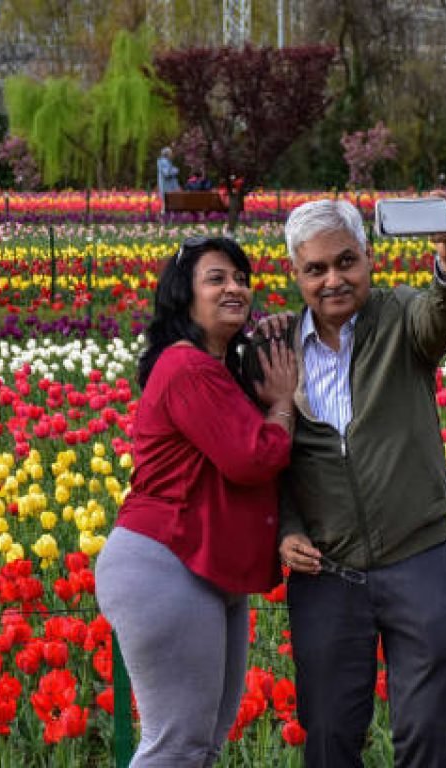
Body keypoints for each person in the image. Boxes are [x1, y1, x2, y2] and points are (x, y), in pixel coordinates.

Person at [263, 197, 446, 767]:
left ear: (370, 259)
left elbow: (445, 315)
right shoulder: (273, 349)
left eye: (346, 261)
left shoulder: (402, 317)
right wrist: (286, 529)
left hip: (418, 555)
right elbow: (266, 458)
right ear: (295, 272)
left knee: (426, 734)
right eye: (315, 269)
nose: (333, 279)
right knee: (329, 736)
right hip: (327, 569)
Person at [96, 235, 298, 767]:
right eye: (217, 279)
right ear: (183, 296)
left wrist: (275, 336)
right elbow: (250, 457)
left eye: (241, 278)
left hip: (202, 565)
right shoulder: (186, 368)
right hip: (165, 561)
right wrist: (281, 407)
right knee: (176, 745)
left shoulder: (216, 367)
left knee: (200, 746)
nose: (234, 287)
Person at [156, 147, 180, 213]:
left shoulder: (166, 162)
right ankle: (166, 216)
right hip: (167, 186)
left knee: (167, 202)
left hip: (167, 186)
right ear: (167, 154)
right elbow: (167, 173)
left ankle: (167, 215)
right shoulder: (164, 162)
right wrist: (175, 171)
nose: (172, 154)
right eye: (170, 153)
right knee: (166, 202)